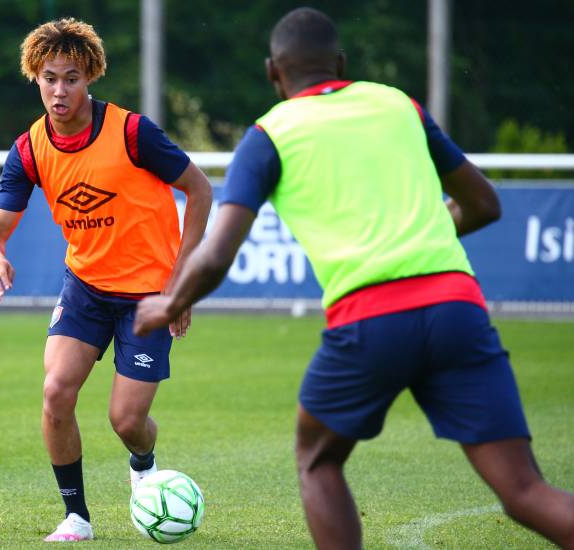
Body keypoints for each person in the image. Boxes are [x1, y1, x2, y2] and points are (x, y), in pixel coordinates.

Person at [134, 7, 574, 549]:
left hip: (371, 319)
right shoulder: (398, 104)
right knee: (525, 490)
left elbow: (218, 253)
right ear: (342, 63)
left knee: (318, 461)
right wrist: (426, 233)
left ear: (274, 72)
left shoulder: (269, 134)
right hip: (459, 308)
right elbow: (483, 204)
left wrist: (166, 302)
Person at [0, 17, 212, 543]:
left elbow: (200, 190)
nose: (60, 90)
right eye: (50, 77)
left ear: (91, 79)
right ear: (34, 78)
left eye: (72, 78)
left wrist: (182, 283)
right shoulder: (29, 149)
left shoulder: (132, 132)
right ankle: (76, 517)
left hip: (149, 295)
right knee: (56, 392)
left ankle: (144, 464)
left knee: (127, 421)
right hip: (85, 287)